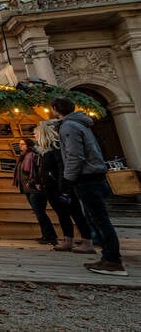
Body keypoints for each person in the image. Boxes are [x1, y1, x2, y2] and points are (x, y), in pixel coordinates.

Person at [52, 96, 127, 276]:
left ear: (55, 109)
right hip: (95, 176)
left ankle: (113, 260)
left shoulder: (69, 126)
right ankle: (108, 257)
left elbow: (74, 155)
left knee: (99, 219)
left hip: (86, 178)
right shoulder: (82, 125)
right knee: (97, 219)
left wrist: (68, 179)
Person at [34, 121, 95, 254]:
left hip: (62, 187)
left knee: (76, 213)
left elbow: (62, 169)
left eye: (36, 134)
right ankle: (68, 239)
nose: (35, 137)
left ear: (44, 134)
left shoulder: (56, 150)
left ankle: (87, 241)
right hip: (50, 187)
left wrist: (64, 188)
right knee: (62, 214)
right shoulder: (44, 152)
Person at [14, 137, 57, 246]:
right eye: (20, 144)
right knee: (38, 213)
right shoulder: (23, 157)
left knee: (40, 213)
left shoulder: (33, 155)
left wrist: (33, 181)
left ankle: (51, 236)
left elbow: (38, 171)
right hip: (27, 189)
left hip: (35, 188)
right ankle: (46, 235)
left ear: (28, 145)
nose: (21, 146)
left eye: (23, 144)